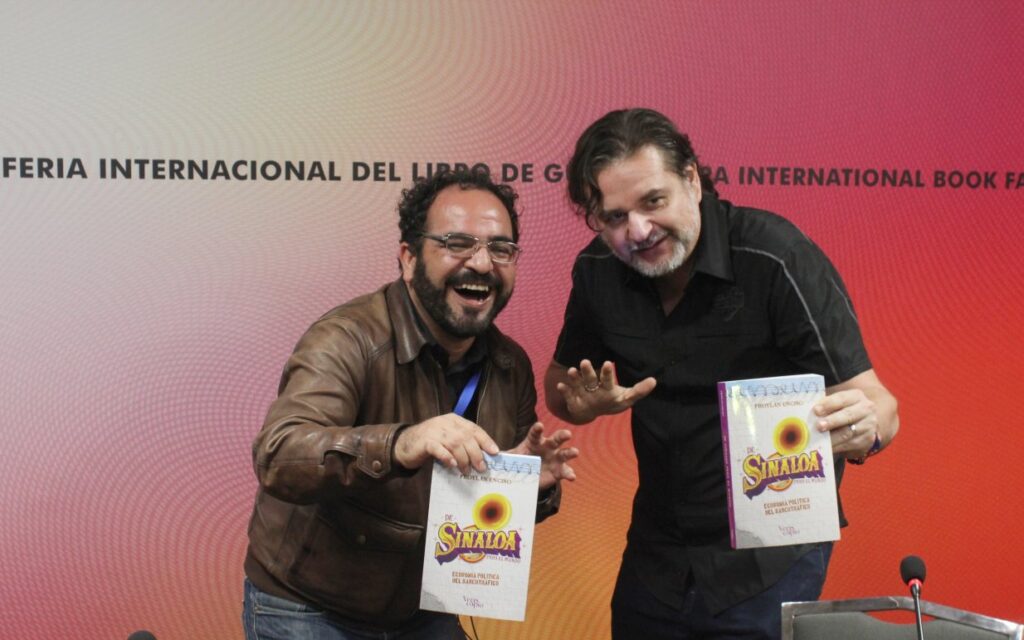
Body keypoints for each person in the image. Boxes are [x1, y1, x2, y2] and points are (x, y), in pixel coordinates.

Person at [544, 108, 899, 639]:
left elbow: (879, 406)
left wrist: (864, 428)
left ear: (692, 177)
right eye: (614, 217)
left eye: (653, 202)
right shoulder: (598, 271)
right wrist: (583, 404)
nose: (636, 231)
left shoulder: (774, 256)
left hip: (771, 549)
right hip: (658, 547)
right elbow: (559, 386)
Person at [243, 168, 578, 639]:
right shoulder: (346, 339)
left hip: (424, 607)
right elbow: (280, 455)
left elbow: (488, 517)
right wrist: (402, 443)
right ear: (408, 258)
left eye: (500, 249)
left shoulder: (509, 365)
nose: (482, 264)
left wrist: (525, 486)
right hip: (311, 605)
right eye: (457, 243)